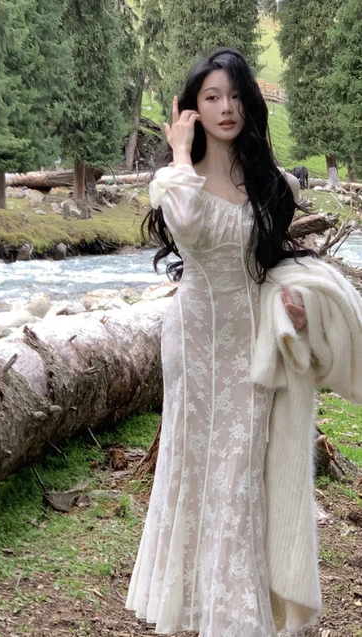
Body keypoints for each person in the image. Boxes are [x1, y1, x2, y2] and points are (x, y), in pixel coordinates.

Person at [125, 47, 318, 637]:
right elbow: (185, 225)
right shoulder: (174, 180)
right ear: (194, 109)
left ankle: (237, 616)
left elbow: (273, 263)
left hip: (250, 341)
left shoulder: (271, 183)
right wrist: (181, 153)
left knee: (240, 472)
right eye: (212, 97)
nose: (226, 107)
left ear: (249, 104)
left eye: (235, 96)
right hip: (193, 340)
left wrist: (293, 298)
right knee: (193, 466)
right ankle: (196, 605)